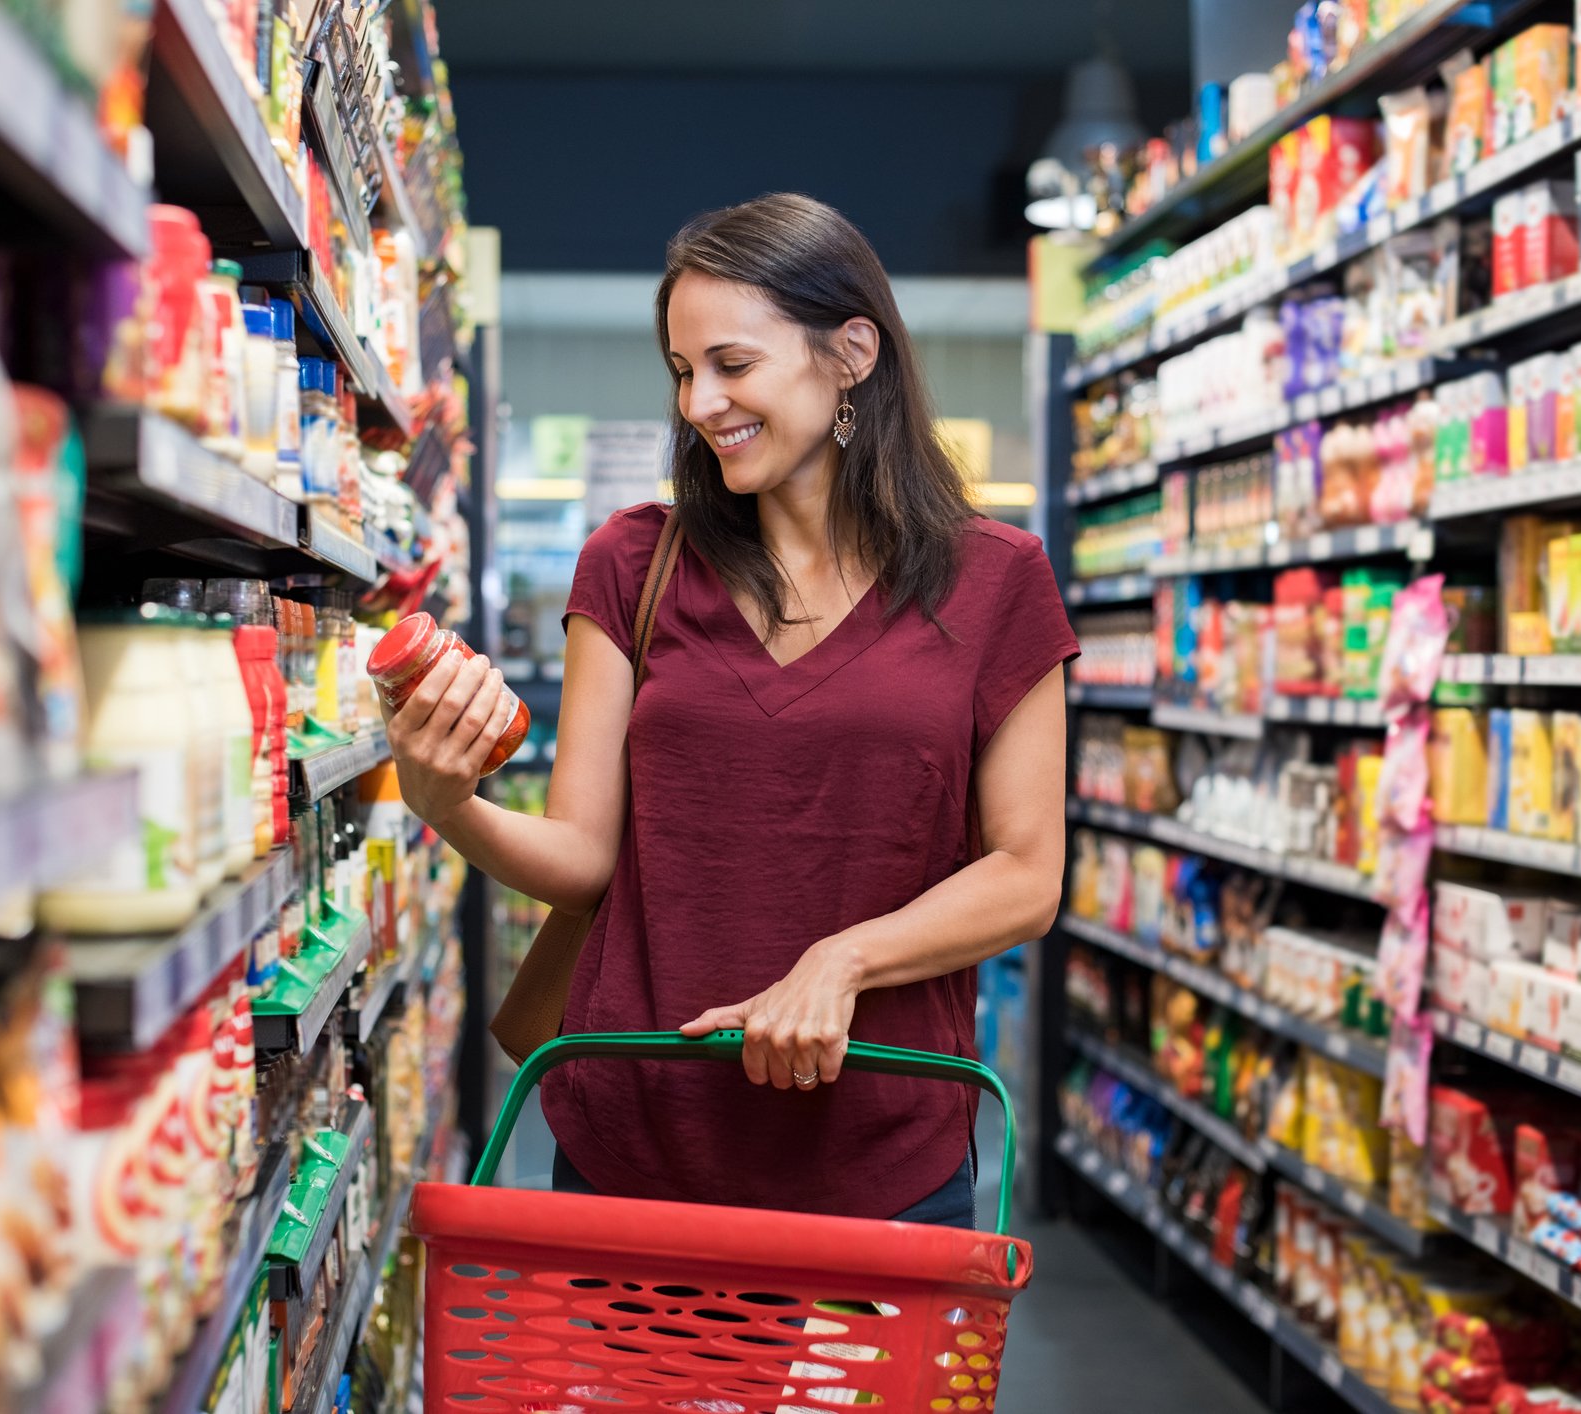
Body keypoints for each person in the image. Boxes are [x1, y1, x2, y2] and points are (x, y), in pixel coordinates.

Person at [384, 193, 1076, 1228]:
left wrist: (840, 960)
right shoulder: (632, 562)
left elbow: (1025, 873)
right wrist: (448, 804)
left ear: (850, 354)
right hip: (639, 1140)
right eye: (679, 371)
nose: (700, 402)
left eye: (731, 364)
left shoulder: (993, 579)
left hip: (879, 1153)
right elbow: (584, 856)